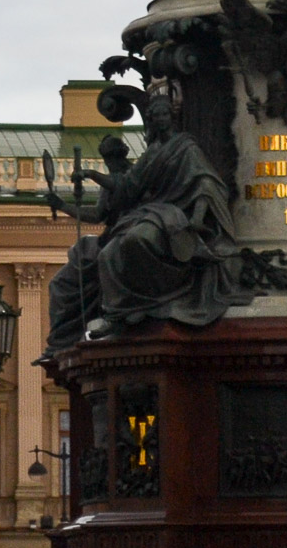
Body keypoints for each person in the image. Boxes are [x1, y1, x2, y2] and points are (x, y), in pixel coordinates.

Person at [47, 93, 238, 343]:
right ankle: (119, 313)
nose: (160, 119)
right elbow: (128, 186)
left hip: (175, 213)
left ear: (172, 117)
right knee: (108, 254)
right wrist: (90, 176)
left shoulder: (186, 147)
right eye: (155, 115)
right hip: (154, 212)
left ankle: (158, 296)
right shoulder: (152, 153)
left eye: (164, 114)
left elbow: (205, 183)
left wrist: (197, 220)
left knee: (137, 240)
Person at [38, 135, 133, 360]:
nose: (111, 163)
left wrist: (90, 174)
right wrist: (63, 205)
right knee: (58, 284)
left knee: (107, 257)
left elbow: (124, 186)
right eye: (107, 158)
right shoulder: (109, 181)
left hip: (129, 234)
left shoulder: (137, 175)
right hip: (108, 238)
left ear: (124, 154)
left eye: (113, 157)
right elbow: (97, 215)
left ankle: (112, 315)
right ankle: (60, 342)